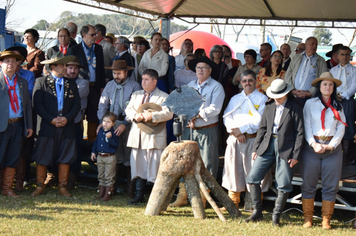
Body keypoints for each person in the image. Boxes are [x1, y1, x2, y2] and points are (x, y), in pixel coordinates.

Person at [245, 79, 304, 227]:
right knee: (252, 178)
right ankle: (257, 212)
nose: (276, 98)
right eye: (275, 95)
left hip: (287, 147)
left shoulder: (295, 107)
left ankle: (275, 216)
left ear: (286, 93)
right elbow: (262, 128)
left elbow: (300, 133)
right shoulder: (269, 106)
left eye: (279, 95)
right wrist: (256, 149)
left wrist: (296, 155)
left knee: (283, 183)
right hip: (267, 144)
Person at [300, 72, 346, 230]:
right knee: (308, 183)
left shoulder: (338, 105)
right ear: (319, 87)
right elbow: (306, 125)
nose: (328, 87)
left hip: (332, 149)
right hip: (312, 147)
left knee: (331, 185)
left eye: (331, 84)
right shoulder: (310, 104)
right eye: (325, 84)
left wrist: (332, 145)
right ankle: (308, 217)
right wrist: (313, 144)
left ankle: (326, 219)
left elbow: (341, 127)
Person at [31, 52, 80, 197]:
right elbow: (37, 104)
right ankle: (40, 185)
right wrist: (51, 119)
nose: (65, 68)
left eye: (66, 65)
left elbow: (77, 104)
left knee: (66, 156)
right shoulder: (41, 82)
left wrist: (67, 118)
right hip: (48, 126)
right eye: (62, 65)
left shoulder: (70, 83)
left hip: (67, 125)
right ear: (53, 67)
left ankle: (62, 187)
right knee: (42, 156)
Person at [221, 70, 272, 210]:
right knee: (233, 169)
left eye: (250, 80)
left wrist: (242, 129)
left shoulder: (262, 99)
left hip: (253, 139)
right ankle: (233, 202)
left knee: (254, 171)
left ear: (255, 81)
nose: (247, 83)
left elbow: (261, 121)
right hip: (235, 139)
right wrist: (235, 131)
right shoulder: (235, 99)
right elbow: (227, 116)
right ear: (241, 82)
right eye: (244, 81)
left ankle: (253, 204)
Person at [125, 69, 173, 204]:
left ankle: (155, 197)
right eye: (142, 79)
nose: (143, 82)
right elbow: (128, 109)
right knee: (138, 166)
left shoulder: (164, 96)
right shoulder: (136, 95)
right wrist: (136, 115)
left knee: (154, 167)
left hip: (154, 137)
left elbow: (169, 114)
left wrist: (152, 116)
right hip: (138, 136)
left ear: (154, 81)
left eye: (146, 79)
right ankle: (139, 194)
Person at [97, 60, 141, 197]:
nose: (116, 76)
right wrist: (102, 121)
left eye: (119, 73)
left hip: (128, 122)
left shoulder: (134, 86)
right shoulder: (109, 85)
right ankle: (111, 186)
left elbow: (136, 107)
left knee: (129, 153)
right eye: (114, 73)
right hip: (111, 122)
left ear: (126, 72)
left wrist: (125, 123)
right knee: (114, 153)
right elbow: (103, 105)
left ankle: (130, 187)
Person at [184, 56, 225, 178]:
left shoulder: (216, 86)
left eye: (204, 68)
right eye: (198, 68)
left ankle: (205, 193)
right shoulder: (190, 85)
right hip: (189, 129)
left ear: (210, 70)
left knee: (207, 162)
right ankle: (186, 191)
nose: (200, 70)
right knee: (187, 161)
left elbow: (215, 108)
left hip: (207, 130)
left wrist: (196, 114)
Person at [0, 51, 33, 198]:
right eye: (7, 61)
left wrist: (29, 125)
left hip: (18, 124)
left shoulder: (22, 82)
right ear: (1, 63)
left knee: (13, 156)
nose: (10, 63)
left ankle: (7, 188)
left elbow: (27, 105)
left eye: (13, 61)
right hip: (1, 125)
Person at [67, 24, 106, 143]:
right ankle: (78, 143)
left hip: (94, 88)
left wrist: (101, 86)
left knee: (94, 116)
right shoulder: (74, 49)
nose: (95, 36)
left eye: (95, 34)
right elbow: (69, 69)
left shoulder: (98, 49)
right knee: (78, 115)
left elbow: (101, 69)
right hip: (79, 87)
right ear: (84, 35)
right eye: (92, 34)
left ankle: (91, 144)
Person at [330, 46, 356, 165]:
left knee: (348, 126)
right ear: (337, 55)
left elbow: (354, 86)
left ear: (350, 55)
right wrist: (335, 96)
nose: (344, 57)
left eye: (347, 54)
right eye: (342, 54)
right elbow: (329, 85)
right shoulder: (333, 71)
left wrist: (344, 95)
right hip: (334, 100)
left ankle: (346, 156)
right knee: (333, 124)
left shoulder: (355, 70)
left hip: (348, 101)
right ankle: (334, 153)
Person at [66, 57, 89, 189]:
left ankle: (73, 176)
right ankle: (56, 175)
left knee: (76, 149)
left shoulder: (83, 83)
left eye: (75, 68)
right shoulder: (61, 81)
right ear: (66, 69)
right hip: (62, 121)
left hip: (75, 120)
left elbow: (71, 98)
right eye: (70, 68)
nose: (73, 71)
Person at [284, 37, 327, 105]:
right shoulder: (297, 57)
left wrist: (310, 93)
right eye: (312, 44)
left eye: (316, 44)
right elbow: (288, 74)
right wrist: (292, 90)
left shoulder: (320, 60)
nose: (314, 46)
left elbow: (322, 79)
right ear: (306, 45)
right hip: (293, 95)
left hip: (310, 98)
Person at [91, 111, 119, 201]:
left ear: (113, 123)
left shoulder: (114, 133)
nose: (105, 124)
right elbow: (96, 142)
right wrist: (93, 152)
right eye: (104, 121)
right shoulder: (100, 132)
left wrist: (110, 138)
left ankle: (108, 193)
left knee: (109, 176)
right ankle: (101, 192)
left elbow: (115, 145)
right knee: (101, 174)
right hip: (100, 156)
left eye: (108, 122)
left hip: (110, 157)